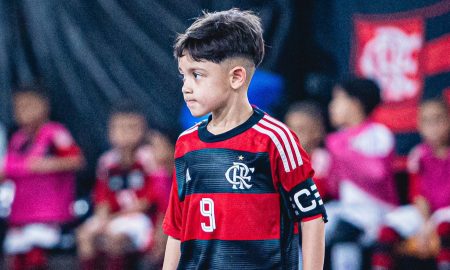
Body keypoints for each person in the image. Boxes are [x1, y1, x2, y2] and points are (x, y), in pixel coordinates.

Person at [162, 9, 327, 270]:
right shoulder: (186, 144)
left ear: (236, 77)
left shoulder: (275, 139)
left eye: (197, 74)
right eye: (184, 75)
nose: (186, 86)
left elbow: (312, 217)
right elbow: (176, 227)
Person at [76, 102, 169, 270]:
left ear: (143, 130)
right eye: (119, 128)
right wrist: (103, 219)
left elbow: (150, 201)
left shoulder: (149, 159)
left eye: (132, 128)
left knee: (115, 236)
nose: (125, 134)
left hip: (141, 219)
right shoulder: (107, 161)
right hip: (114, 217)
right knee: (84, 234)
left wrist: (114, 219)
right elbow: (102, 198)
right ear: (110, 131)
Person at [1, 87, 84, 270]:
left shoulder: (55, 133)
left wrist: (44, 165)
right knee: (15, 260)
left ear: (44, 106)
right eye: (19, 106)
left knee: (36, 260)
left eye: (29, 105)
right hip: (21, 217)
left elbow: (76, 160)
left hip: (49, 217)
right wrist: (24, 167)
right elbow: (8, 169)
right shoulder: (18, 139)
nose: (24, 111)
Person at [325, 78, 398, 270]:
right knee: (304, 225)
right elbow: (333, 188)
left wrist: (342, 150)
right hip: (347, 207)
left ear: (355, 103)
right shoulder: (337, 138)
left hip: (376, 209)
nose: (332, 106)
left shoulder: (378, 133)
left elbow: (377, 174)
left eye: (337, 99)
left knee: (345, 230)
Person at [371, 98, 450, 270]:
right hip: (425, 213)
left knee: (445, 226)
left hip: (446, 213)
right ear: (419, 125)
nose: (433, 126)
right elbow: (417, 194)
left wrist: (432, 226)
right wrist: (426, 224)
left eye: (439, 119)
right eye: (427, 121)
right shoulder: (418, 154)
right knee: (387, 227)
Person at [285, 101, 332, 201]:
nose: (292, 135)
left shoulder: (321, 157)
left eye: (300, 129)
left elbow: (314, 192)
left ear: (317, 132)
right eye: (289, 129)